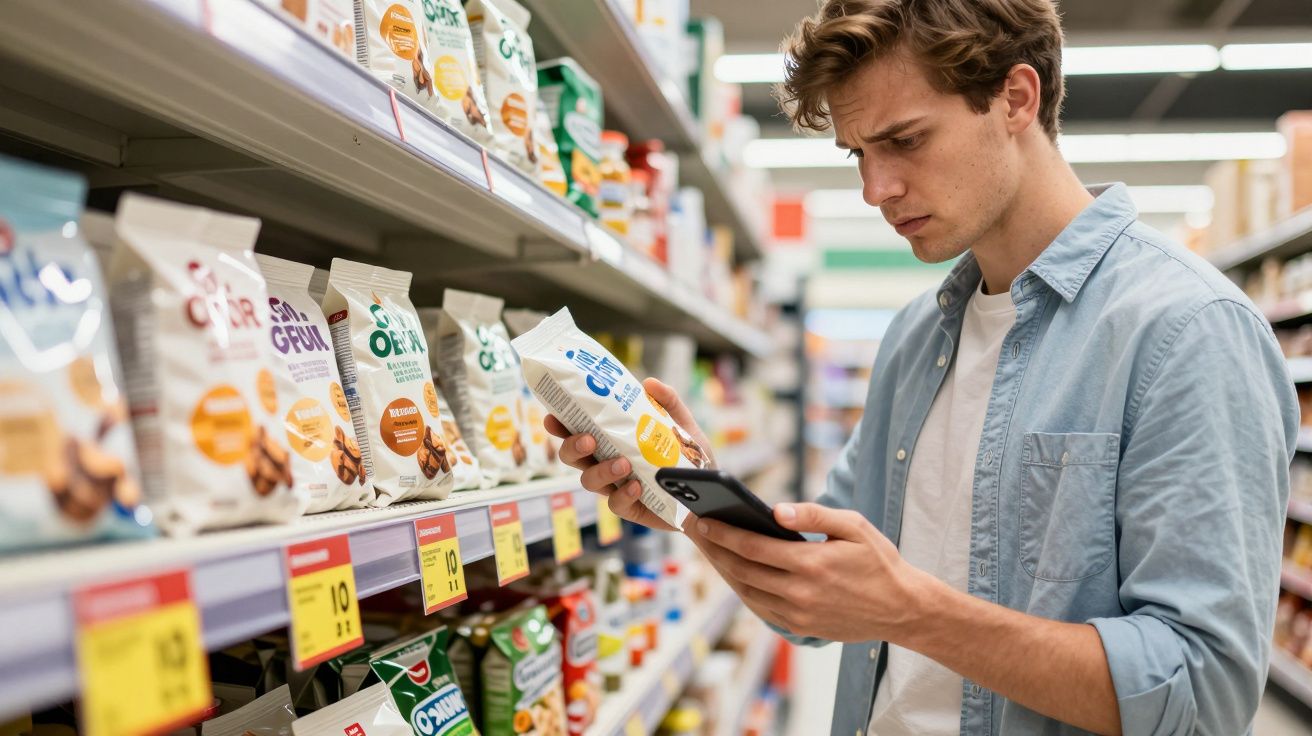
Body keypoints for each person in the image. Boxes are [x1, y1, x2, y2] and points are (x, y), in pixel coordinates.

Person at [545, 0, 1298, 733]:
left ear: (1015, 97)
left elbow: (1202, 693)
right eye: (859, 155)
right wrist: (691, 494)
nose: (877, 190)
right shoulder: (917, 337)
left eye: (904, 141)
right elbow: (825, 594)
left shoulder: (1188, 333)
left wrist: (911, 612)